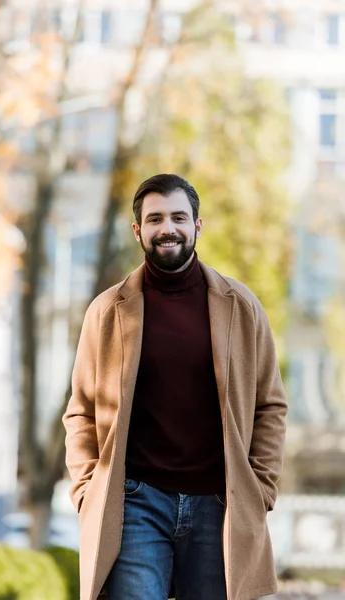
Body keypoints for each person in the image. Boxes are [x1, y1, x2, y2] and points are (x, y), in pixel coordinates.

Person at [63, 173, 287, 600]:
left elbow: (270, 404)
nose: (168, 228)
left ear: (197, 226)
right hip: (135, 505)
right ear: (138, 231)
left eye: (179, 217)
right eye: (155, 219)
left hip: (219, 505)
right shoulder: (107, 311)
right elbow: (81, 409)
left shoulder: (241, 307)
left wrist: (260, 488)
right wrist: (87, 490)